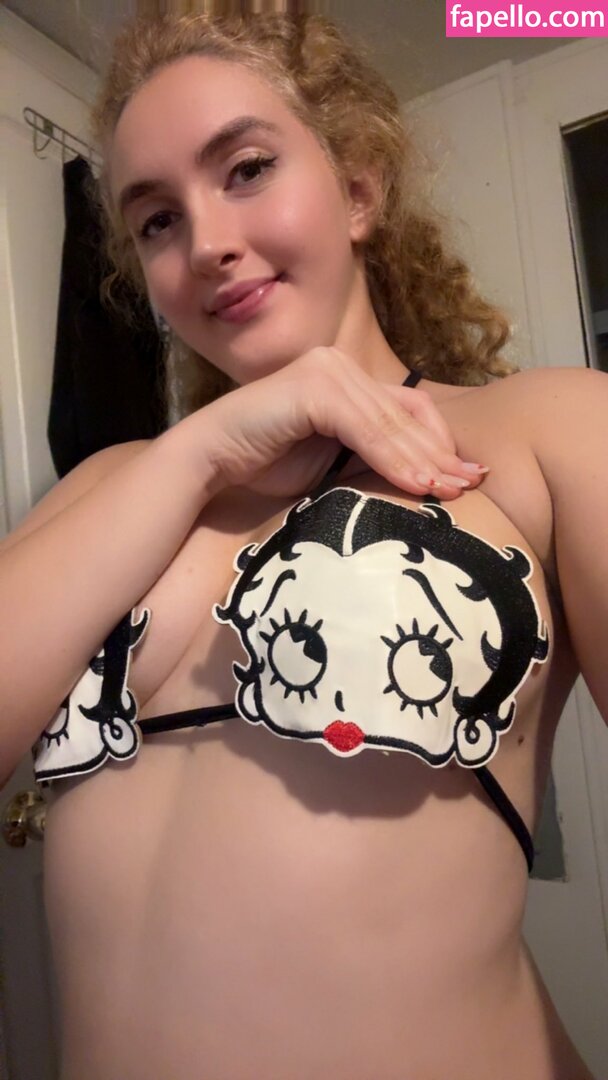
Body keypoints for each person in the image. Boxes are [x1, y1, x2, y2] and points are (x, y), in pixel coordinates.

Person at [0, 10, 605, 1080]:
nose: (205, 243)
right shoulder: (109, 487)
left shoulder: (547, 430)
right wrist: (203, 450)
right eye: (156, 220)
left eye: (245, 169)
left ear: (359, 189)